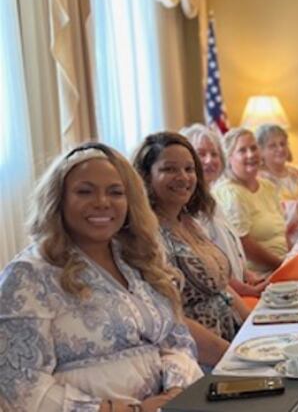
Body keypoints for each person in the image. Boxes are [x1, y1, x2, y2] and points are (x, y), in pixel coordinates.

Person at [0, 142, 202, 411]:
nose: (102, 203)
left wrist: (174, 393)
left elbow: (177, 342)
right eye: (85, 192)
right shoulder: (29, 275)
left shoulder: (140, 260)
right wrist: (129, 410)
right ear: (58, 199)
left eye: (116, 192)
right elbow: (20, 386)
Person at [133, 132, 249, 367]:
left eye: (189, 169)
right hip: (197, 358)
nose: (183, 177)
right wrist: (236, 359)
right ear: (145, 177)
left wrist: (256, 328)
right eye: (169, 169)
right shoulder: (145, 235)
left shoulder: (187, 221)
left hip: (233, 340)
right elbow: (171, 319)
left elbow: (220, 286)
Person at [180, 124, 265, 298]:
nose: (209, 160)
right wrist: (245, 289)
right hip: (225, 298)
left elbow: (229, 250)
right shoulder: (185, 208)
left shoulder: (212, 199)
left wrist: (246, 274)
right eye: (201, 154)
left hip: (241, 290)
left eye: (214, 154)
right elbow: (208, 265)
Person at [214, 127, 286, 272]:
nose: (251, 154)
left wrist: (292, 258)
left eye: (254, 148)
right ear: (229, 158)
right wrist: (283, 266)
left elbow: (282, 233)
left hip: (282, 262)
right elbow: (244, 245)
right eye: (242, 150)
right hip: (260, 274)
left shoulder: (268, 186)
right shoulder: (231, 193)